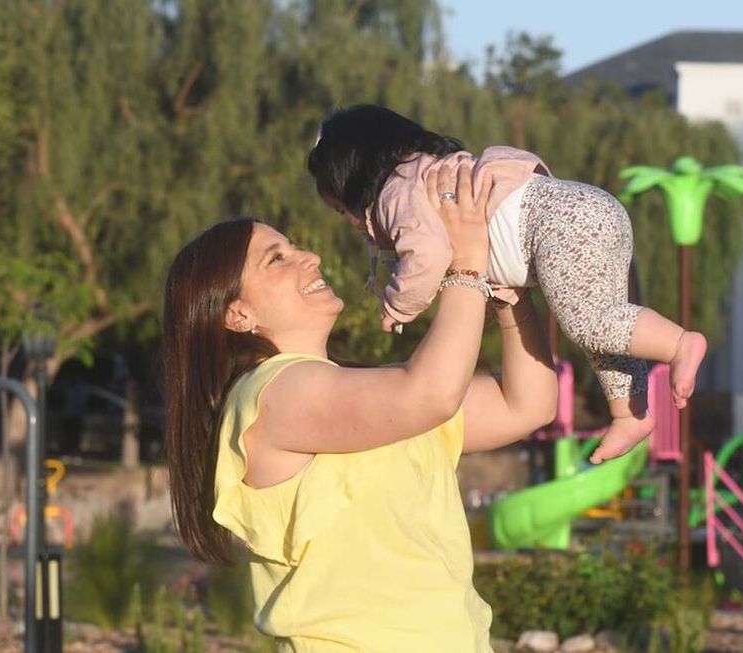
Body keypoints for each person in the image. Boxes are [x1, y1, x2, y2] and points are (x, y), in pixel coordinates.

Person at [163, 163, 557, 652]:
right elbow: (431, 393)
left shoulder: (370, 395)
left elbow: (527, 405)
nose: (309, 256)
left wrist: (506, 288)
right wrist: (467, 264)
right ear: (237, 314)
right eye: (277, 259)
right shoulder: (269, 395)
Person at [307, 104, 707, 464]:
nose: (352, 222)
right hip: (586, 208)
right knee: (601, 330)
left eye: (343, 210)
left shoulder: (399, 193)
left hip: (557, 226)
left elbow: (425, 257)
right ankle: (630, 411)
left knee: (592, 322)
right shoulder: (439, 167)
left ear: (355, 182)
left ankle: (678, 344)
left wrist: (399, 305)